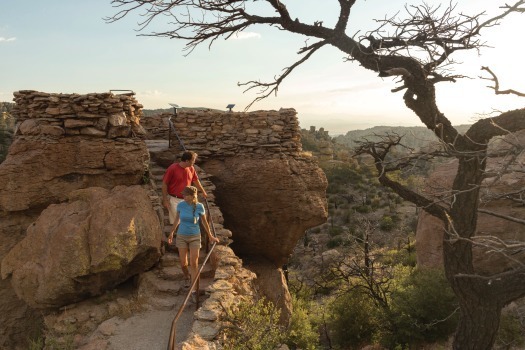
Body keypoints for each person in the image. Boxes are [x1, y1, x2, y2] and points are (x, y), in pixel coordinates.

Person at [168, 186, 219, 302]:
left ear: (192, 196)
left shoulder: (200, 207)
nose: (183, 196)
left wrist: (210, 236)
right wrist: (171, 233)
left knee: (194, 264)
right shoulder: (181, 205)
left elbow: (205, 223)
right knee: (183, 263)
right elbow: (177, 220)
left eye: (185, 195)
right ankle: (187, 276)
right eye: (183, 194)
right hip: (181, 236)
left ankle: (194, 290)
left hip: (195, 237)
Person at [162, 151, 207, 281]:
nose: (194, 163)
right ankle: (181, 244)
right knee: (179, 221)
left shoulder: (191, 168)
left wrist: (203, 192)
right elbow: (164, 184)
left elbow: (196, 181)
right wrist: (165, 200)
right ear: (187, 160)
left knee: (187, 220)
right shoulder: (172, 168)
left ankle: (186, 245)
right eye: (193, 160)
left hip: (189, 200)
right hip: (176, 199)